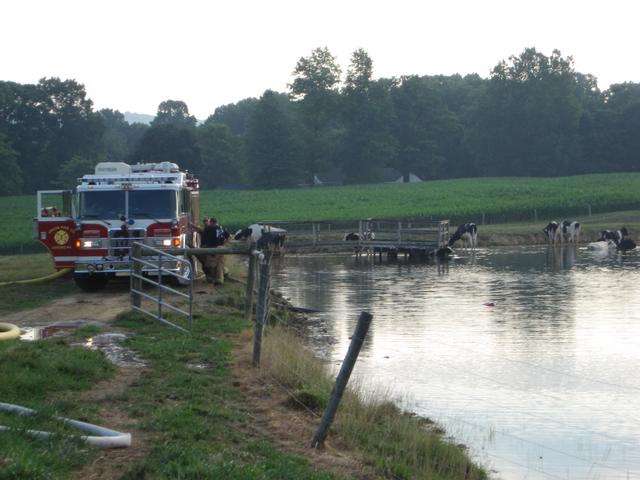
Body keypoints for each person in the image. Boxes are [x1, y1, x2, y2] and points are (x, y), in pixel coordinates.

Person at [197, 216, 230, 284]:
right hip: (221, 248)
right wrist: (224, 244)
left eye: (206, 221)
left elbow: (204, 241)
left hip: (211, 249)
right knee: (219, 263)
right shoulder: (222, 228)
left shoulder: (208, 228)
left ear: (211, 222)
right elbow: (229, 237)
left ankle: (218, 279)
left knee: (210, 265)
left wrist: (203, 248)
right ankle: (225, 273)